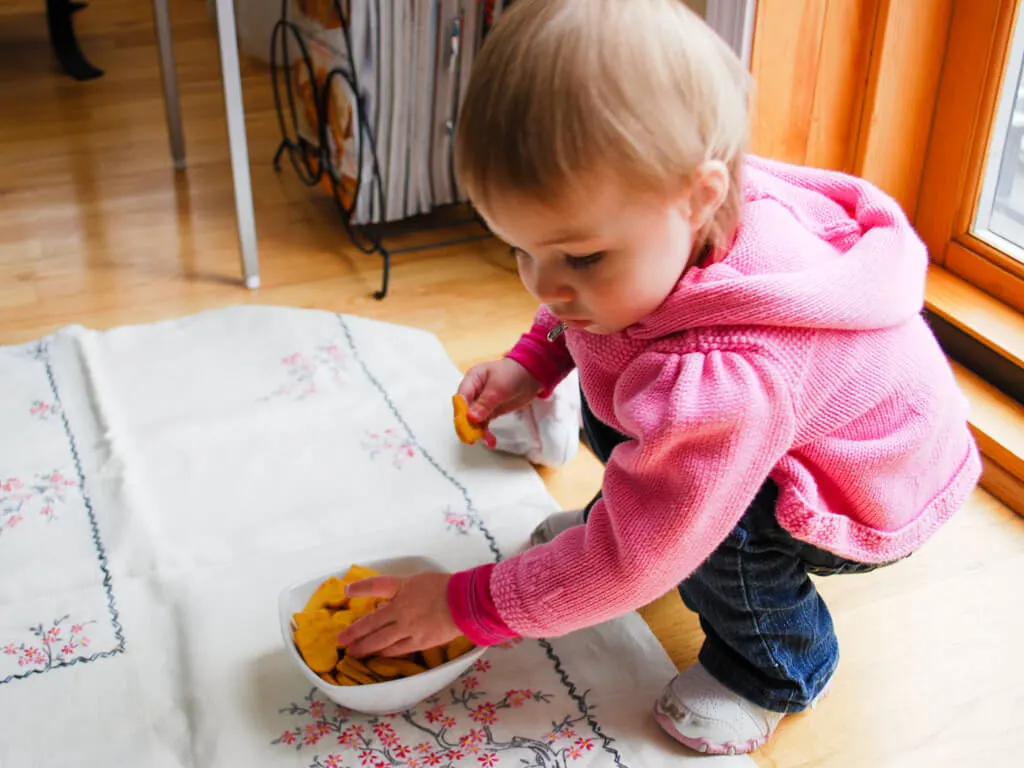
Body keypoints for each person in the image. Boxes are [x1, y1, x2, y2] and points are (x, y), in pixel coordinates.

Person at [337, 0, 981, 754]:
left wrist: (470, 603)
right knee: (620, 405)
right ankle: (644, 507)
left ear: (700, 196)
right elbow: (586, 314)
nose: (544, 286)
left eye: (579, 258)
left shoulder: (731, 377)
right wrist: (535, 359)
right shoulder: (668, 218)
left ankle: (776, 668)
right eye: (520, 249)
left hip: (862, 488)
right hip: (776, 427)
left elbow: (639, 558)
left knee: (712, 534)